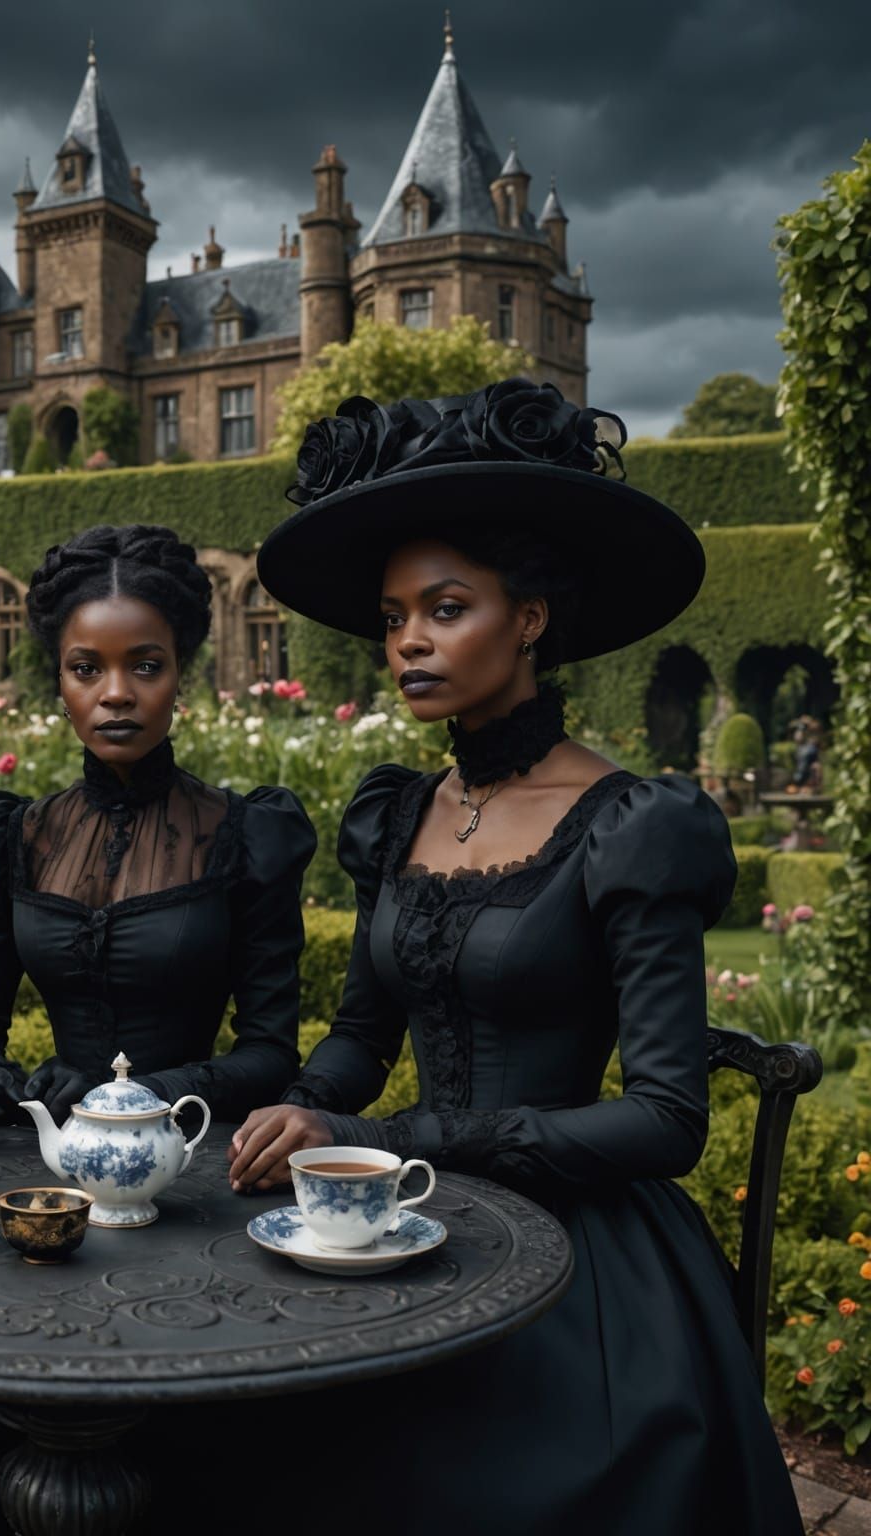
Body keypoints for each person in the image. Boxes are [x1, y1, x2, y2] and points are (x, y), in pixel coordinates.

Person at [228, 381, 799, 1534]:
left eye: (445, 609)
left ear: (529, 618)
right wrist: (301, 1110)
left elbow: (666, 1119)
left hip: (588, 1266)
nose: (408, 644)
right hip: (399, 1223)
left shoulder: (633, 823)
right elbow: (358, 1040)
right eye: (393, 617)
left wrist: (382, 1140)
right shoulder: (396, 814)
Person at [0, 523, 315, 1127]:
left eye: (145, 666)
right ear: (60, 682)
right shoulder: (15, 836)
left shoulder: (245, 834)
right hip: (49, 1156)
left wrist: (132, 1094)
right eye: (86, 669)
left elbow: (271, 1055)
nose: (116, 694)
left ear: (179, 677)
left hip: (193, 1155)